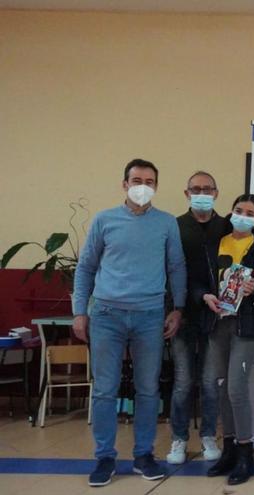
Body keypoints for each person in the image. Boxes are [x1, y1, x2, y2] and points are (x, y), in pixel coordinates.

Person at [72, 159, 186, 487]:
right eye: (137, 179)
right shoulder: (104, 220)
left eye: (149, 181)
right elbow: (86, 268)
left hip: (150, 316)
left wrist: (177, 308)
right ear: (124, 184)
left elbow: (176, 266)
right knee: (105, 390)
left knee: (148, 389)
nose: (142, 186)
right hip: (106, 315)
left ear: (156, 187)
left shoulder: (166, 223)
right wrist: (80, 311)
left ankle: (143, 454)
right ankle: (105, 457)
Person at [191, 193, 254, 486]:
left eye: (249, 212)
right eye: (238, 210)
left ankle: (246, 453)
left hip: (247, 326)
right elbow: (198, 282)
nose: (242, 215)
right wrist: (204, 296)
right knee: (219, 389)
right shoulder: (214, 242)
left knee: (236, 389)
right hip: (217, 324)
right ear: (231, 213)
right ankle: (228, 449)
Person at [166, 171, 227, 465]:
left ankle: (207, 436)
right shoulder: (175, 227)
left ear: (216, 193)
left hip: (217, 317)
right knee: (182, 381)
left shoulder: (227, 227)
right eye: (195, 189)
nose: (201, 192)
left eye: (207, 188)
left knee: (210, 380)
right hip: (182, 315)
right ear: (186, 192)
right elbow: (168, 270)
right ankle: (178, 439)